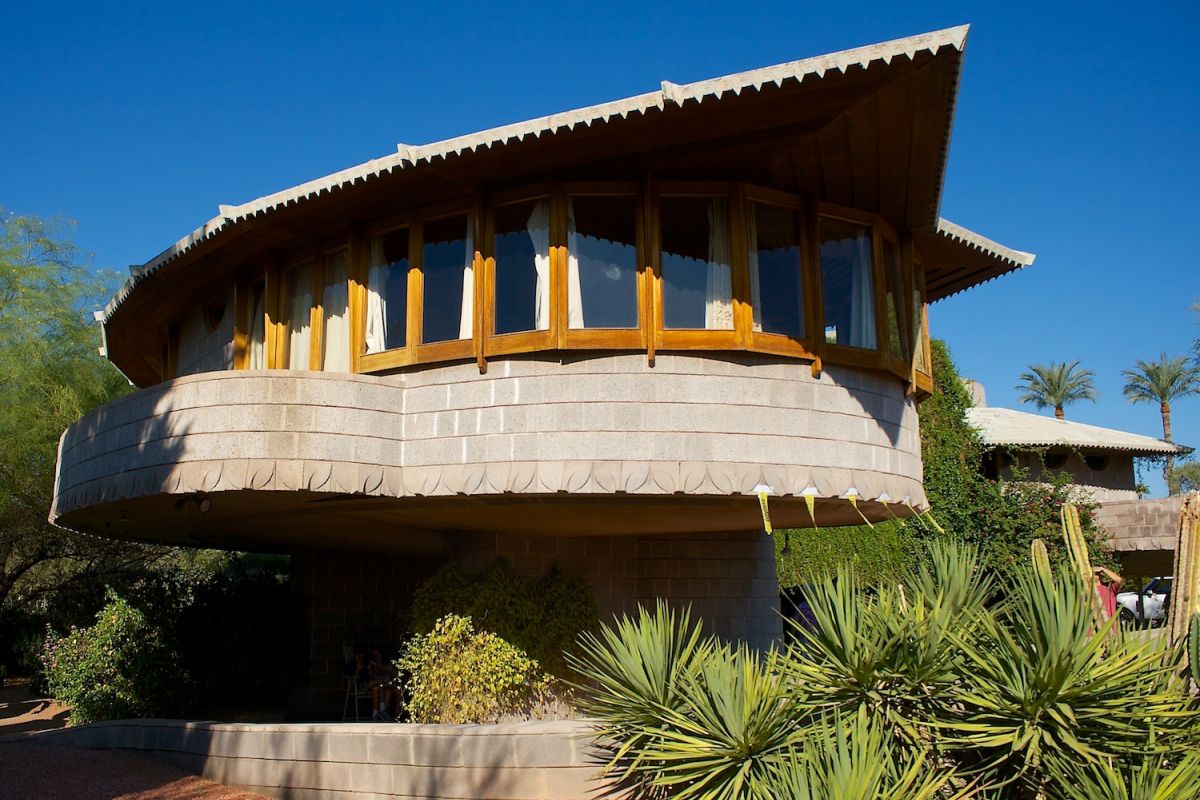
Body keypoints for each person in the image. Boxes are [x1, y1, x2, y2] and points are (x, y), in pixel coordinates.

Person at [368, 647, 397, 722]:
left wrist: (391, 673)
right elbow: (378, 672)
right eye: (374, 655)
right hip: (376, 686)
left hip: (386, 686)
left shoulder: (387, 665)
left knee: (388, 691)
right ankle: (378, 711)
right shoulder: (372, 664)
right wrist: (388, 673)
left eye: (378, 654)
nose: (376, 657)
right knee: (376, 688)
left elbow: (395, 674)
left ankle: (383, 712)